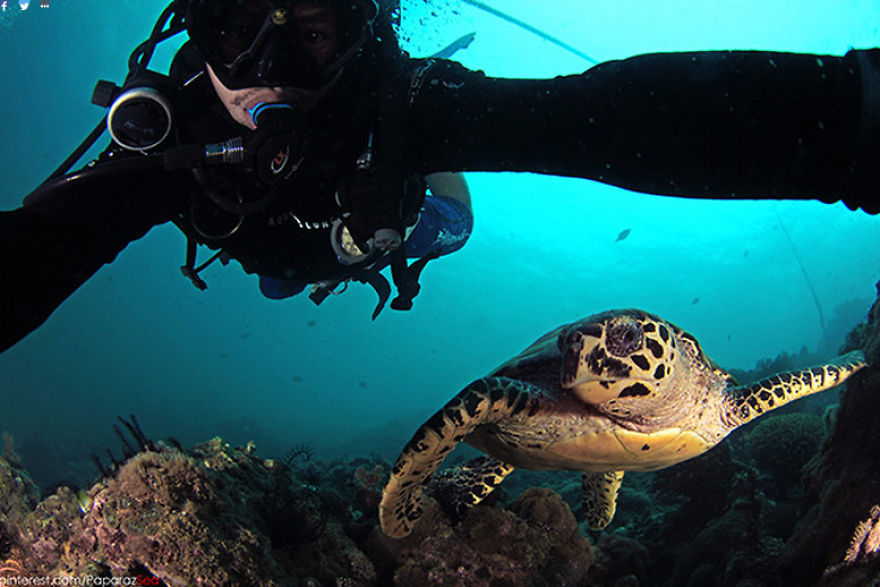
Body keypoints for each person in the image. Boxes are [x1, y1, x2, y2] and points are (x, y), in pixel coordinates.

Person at [0, 0, 877, 353]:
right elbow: (43, 247)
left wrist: (857, 122)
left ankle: (379, 229)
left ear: (359, 27)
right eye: (234, 22)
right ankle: (322, 258)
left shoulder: (408, 102)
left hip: (392, 210)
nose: (270, 66)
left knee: (441, 221)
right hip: (267, 242)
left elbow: (605, 115)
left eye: (311, 28)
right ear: (191, 25)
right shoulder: (168, 136)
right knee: (278, 280)